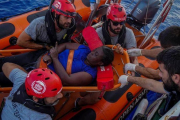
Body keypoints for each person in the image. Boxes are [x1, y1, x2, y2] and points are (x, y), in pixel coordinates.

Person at [0, 43, 114, 87]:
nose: (92, 52)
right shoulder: (85, 49)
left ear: (100, 62)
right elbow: (65, 46)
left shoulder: (89, 74)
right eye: (95, 50)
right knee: (4, 62)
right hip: (39, 56)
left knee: (3, 77)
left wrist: (54, 58)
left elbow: (67, 80)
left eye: (96, 54)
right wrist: (50, 55)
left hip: (37, 74)